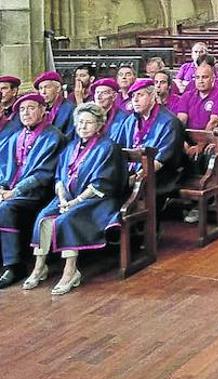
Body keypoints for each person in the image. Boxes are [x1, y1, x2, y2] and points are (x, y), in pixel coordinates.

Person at [24, 103, 127, 295]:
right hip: (68, 198)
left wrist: (75, 202)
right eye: (80, 122)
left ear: (99, 125)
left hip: (97, 200)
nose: (83, 126)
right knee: (43, 217)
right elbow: (59, 177)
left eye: (88, 123)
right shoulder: (71, 146)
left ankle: (70, 271)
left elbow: (103, 183)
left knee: (66, 220)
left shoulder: (108, 147)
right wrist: (62, 196)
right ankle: (39, 267)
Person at [0, 94, 65, 289]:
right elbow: (4, 167)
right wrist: (3, 187)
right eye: (21, 109)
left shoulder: (53, 136)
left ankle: (14, 265)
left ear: (43, 110)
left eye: (31, 108)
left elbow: (43, 175)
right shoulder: (15, 137)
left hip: (39, 193)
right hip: (12, 191)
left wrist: (14, 191)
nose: (26, 113)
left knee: (5, 208)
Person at [110, 79, 183, 211]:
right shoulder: (130, 120)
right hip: (132, 171)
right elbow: (117, 147)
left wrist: (135, 178)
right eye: (133, 96)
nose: (135, 100)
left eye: (140, 95)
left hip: (159, 173)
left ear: (153, 96)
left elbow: (162, 160)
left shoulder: (170, 122)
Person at [176, 61, 218, 224]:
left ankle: (202, 201)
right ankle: (178, 196)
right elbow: (180, 121)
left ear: (213, 78)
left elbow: (213, 123)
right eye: (197, 77)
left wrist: (200, 145)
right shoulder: (187, 95)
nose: (200, 80)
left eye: (205, 77)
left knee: (206, 155)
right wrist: (183, 144)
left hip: (211, 140)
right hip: (188, 141)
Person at [34, 71, 75, 138]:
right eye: (40, 88)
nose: (43, 92)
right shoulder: (40, 109)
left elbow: (70, 136)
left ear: (58, 88)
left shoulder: (70, 109)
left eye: (47, 87)